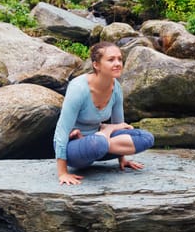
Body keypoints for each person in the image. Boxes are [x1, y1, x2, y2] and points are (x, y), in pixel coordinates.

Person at [53, 41, 154, 185]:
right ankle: (103, 135)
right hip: (75, 147)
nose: (118, 63)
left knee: (146, 138)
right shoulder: (79, 88)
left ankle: (103, 137)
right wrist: (62, 173)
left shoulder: (116, 88)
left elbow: (120, 124)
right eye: (111, 60)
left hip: (99, 145)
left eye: (120, 59)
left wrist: (122, 159)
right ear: (96, 65)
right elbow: (61, 131)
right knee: (98, 142)